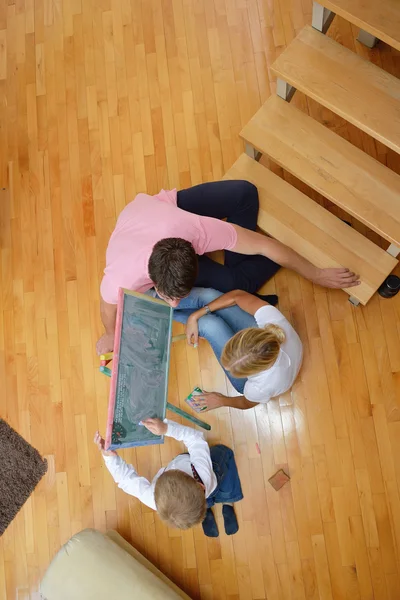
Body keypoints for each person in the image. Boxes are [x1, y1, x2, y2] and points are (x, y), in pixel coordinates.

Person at [97, 181, 360, 354]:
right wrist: (110, 333)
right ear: (152, 280)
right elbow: (107, 303)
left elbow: (264, 245)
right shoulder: (121, 278)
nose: (175, 304)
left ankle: (243, 281)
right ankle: (240, 280)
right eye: (170, 296)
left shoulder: (198, 231)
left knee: (245, 194)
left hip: (165, 217)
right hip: (145, 219)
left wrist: (316, 274)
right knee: (237, 284)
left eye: (178, 296)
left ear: (196, 252)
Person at [94, 417, 243, 537]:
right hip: (211, 479)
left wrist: (110, 458)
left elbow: (126, 481)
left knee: (209, 496)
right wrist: (167, 429)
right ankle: (223, 504)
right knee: (226, 476)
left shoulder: (154, 499)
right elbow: (195, 439)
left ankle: (210, 509)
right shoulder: (201, 473)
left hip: (208, 485)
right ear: (200, 486)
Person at [184, 290, 303, 411]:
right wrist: (194, 316)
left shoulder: (260, 387)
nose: (227, 369)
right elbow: (237, 295)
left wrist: (220, 400)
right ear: (244, 334)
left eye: (236, 372)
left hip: (271, 379)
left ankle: (170, 311)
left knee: (208, 324)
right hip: (277, 356)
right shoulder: (271, 319)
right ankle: (168, 303)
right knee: (208, 297)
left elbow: (246, 403)